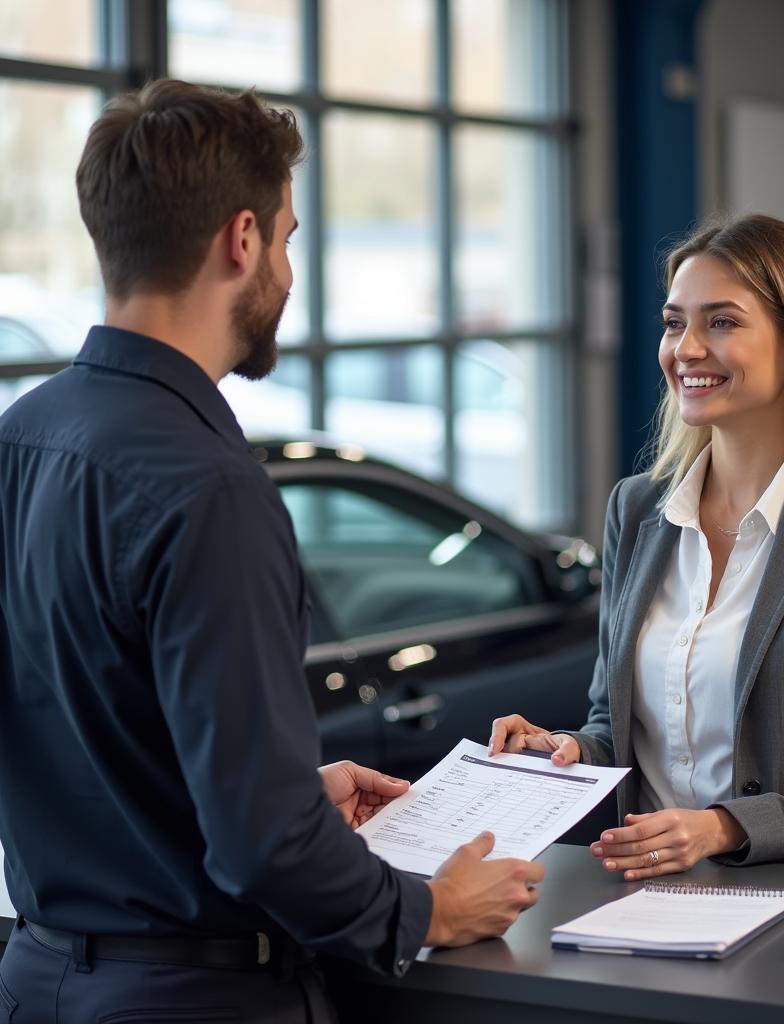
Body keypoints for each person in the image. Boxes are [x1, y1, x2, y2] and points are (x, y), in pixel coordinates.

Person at [0, 79, 542, 1023]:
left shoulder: (19, 439)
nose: (288, 270)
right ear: (241, 240)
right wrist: (425, 910)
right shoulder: (211, 487)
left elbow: (83, 729)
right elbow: (263, 848)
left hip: (37, 978)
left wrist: (293, 785)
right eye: (287, 239)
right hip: (196, 996)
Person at [490, 213, 784, 877]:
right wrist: (564, 750)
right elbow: (617, 726)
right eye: (674, 323)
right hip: (648, 900)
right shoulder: (637, 508)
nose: (686, 348)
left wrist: (724, 828)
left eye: (721, 322)